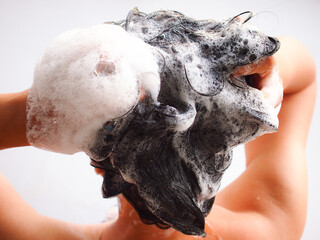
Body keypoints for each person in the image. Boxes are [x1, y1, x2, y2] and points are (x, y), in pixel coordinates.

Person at [0, 36, 316, 240]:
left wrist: (37, 115)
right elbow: (303, 80)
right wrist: (269, 75)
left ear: (99, 165)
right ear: (221, 149)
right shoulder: (269, 223)